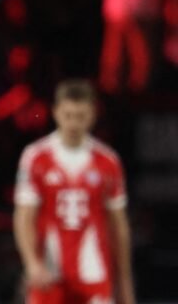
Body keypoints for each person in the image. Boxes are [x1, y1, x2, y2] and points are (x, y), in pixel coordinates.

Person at [13, 79, 135, 304]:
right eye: (68, 115)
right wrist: (31, 263)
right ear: (56, 112)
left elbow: (118, 225)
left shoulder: (108, 161)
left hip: (94, 274)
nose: (74, 123)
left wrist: (125, 282)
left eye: (81, 116)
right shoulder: (35, 157)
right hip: (48, 275)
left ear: (93, 114)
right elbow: (24, 216)